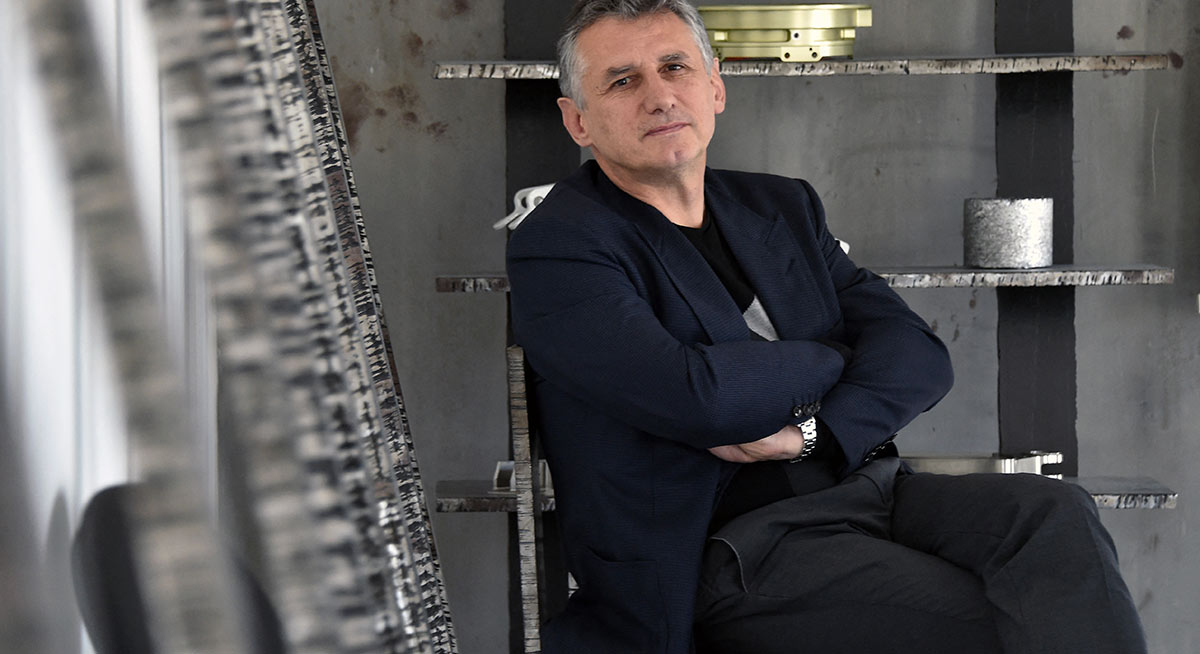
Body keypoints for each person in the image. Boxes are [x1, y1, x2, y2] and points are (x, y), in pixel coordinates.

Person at [505, 1, 1148, 652]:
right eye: (623, 80)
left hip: (864, 489)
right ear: (577, 119)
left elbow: (919, 354)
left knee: (1055, 513)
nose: (660, 95)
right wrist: (834, 353)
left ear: (715, 85)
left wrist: (811, 435)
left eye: (676, 67)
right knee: (996, 618)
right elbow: (700, 396)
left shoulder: (781, 205)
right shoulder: (560, 245)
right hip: (723, 549)